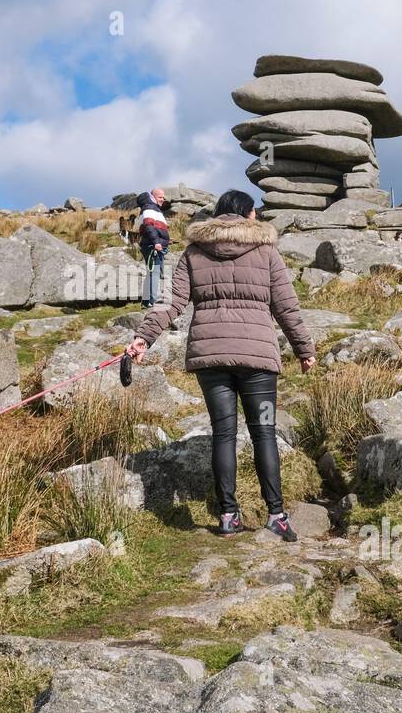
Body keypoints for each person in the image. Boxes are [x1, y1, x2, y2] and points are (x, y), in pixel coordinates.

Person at [126, 189, 316, 540]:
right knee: (264, 432)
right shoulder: (266, 251)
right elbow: (286, 307)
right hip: (258, 358)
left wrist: (143, 337)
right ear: (247, 214)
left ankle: (228, 515)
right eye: (255, 211)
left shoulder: (195, 251)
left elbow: (172, 302)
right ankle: (276, 515)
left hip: (211, 359)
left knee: (223, 434)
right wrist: (304, 349)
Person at [135, 188, 170, 307]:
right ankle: (153, 300)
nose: (163, 199)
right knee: (154, 272)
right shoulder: (150, 208)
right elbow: (149, 226)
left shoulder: (153, 209)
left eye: (163, 197)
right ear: (153, 197)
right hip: (152, 246)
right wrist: (156, 242)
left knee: (151, 272)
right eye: (160, 197)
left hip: (152, 244)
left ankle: (146, 301)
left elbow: (153, 227)